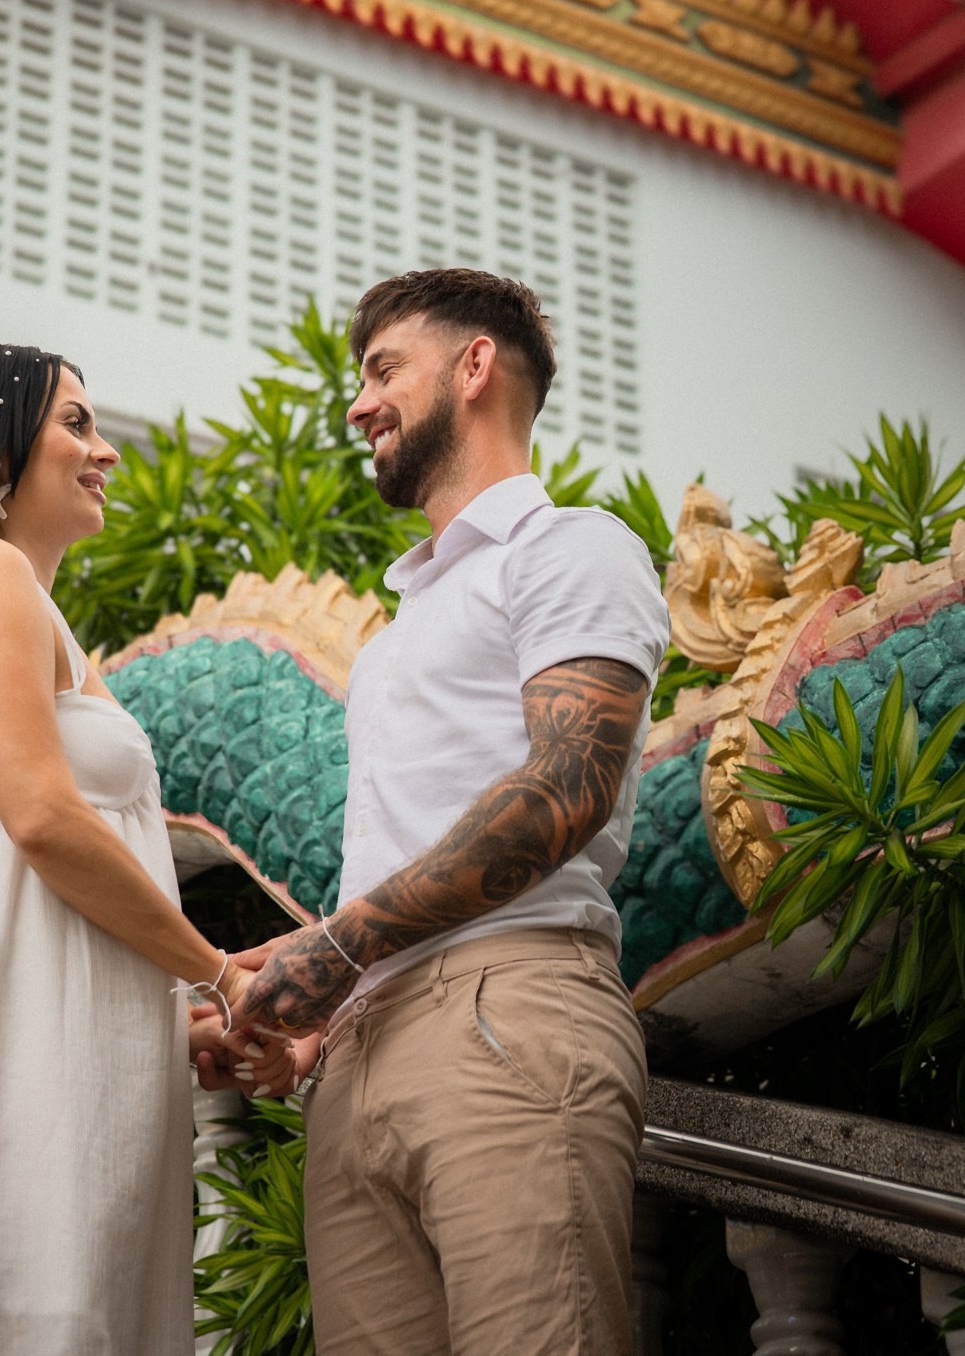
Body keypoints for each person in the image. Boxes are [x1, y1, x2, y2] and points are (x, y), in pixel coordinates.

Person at [0, 345, 293, 1356]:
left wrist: (175, 1026)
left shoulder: (5, 597)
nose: (105, 451)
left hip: (53, 1056)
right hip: (13, 1075)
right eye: (75, 422)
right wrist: (214, 972)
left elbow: (21, 891)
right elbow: (39, 819)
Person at [231, 268, 669, 1355]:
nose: (358, 403)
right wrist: (313, 1020)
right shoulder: (395, 628)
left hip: (509, 1010)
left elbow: (566, 788)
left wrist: (336, 947)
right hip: (362, 1050)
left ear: (474, 365)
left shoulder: (569, 547)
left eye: (384, 370)